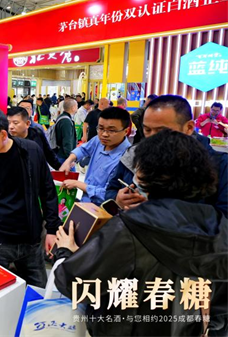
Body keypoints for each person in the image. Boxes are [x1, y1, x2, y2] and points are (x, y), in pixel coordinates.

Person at [54, 130, 228, 337]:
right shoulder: (220, 225)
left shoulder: (128, 228)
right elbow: (219, 307)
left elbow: (73, 284)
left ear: (148, 174)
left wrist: (67, 253)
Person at [0, 107, 61, 288]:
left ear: (3, 134)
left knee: (38, 291)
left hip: (31, 240)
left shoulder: (30, 151)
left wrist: (52, 230)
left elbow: (48, 191)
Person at [106, 95, 228, 218]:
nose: (153, 137)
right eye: (147, 130)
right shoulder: (133, 154)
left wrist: (157, 210)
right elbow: (111, 189)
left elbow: (223, 218)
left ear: (189, 127)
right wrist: (117, 200)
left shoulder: (219, 165)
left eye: (161, 131)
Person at [59, 107, 131, 205]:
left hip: (101, 209)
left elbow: (110, 194)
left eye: (111, 130)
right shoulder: (99, 140)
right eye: (101, 128)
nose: (104, 134)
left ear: (126, 131)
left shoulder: (126, 159)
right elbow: (83, 149)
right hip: (85, 202)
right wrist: (69, 161)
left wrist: (77, 184)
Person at [54, 98, 78, 164]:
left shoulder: (61, 117)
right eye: (76, 106)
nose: (77, 108)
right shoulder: (66, 121)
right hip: (64, 156)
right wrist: (70, 158)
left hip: (61, 153)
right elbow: (67, 141)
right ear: (73, 108)